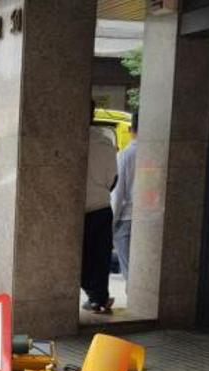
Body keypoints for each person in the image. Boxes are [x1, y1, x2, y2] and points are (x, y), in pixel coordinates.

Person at [82, 102, 118, 313]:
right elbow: (112, 177)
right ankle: (99, 297)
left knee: (82, 257)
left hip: (80, 209)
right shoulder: (105, 140)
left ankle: (96, 296)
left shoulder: (68, 139)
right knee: (101, 256)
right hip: (102, 205)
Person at [112, 111, 137, 283]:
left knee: (130, 272)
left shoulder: (125, 155)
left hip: (126, 220)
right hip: (152, 219)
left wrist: (112, 222)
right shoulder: (160, 152)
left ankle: (137, 303)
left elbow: (117, 194)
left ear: (130, 128)